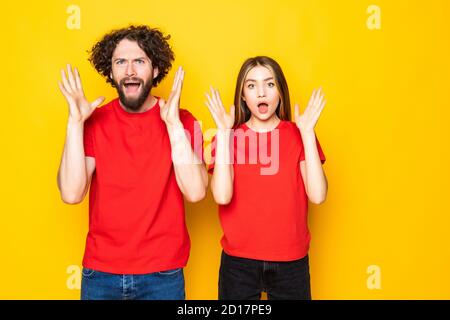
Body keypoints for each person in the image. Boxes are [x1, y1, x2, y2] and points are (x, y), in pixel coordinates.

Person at [57, 25, 207, 300]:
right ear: (111, 72)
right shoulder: (93, 122)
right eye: (120, 62)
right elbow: (71, 193)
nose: (129, 71)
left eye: (139, 61)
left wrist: (173, 125)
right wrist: (75, 123)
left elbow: (196, 192)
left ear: (156, 69)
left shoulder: (183, 120)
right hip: (101, 275)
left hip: (163, 275)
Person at [205, 56, 327, 300]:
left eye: (269, 84)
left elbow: (318, 195)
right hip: (238, 264)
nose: (261, 93)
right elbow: (221, 195)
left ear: (280, 91)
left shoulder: (297, 135)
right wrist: (224, 132)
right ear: (242, 96)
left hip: (291, 263)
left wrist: (307, 133)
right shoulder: (229, 137)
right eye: (251, 86)